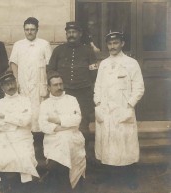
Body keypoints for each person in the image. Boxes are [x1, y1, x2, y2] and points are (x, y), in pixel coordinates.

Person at [94, 31, 145, 189]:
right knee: (107, 144)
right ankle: (108, 176)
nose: (112, 46)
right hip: (106, 110)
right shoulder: (103, 64)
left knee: (126, 145)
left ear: (122, 43)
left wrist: (129, 105)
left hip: (123, 109)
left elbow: (139, 87)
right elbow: (98, 86)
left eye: (115, 43)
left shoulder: (131, 63)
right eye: (110, 44)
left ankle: (130, 179)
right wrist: (98, 104)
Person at [0, 71, 39, 193]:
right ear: (2, 87)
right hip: (3, 136)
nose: (10, 86)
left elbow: (26, 121)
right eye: (7, 84)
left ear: (16, 83)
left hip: (23, 135)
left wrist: (6, 117)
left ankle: (25, 186)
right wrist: (16, 120)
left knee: (23, 156)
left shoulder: (26, 100)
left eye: (12, 82)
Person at [47, 21, 97, 135]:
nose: (71, 35)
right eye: (69, 32)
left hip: (83, 94)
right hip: (64, 93)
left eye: (74, 32)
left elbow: (94, 72)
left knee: (83, 122)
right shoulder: (58, 50)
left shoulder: (88, 51)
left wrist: (86, 84)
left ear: (80, 34)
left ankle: (85, 150)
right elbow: (50, 70)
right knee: (64, 121)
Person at [39, 72, 86, 193]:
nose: (59, 87)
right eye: (55, 85)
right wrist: (64, 125)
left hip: (73, 136)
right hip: (53, 138)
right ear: (49, 87)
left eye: (60, 84)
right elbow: (43, 125)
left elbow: (77, 119)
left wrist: (57, 120)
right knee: (57, 160)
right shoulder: (44, 104)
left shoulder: (72, 100)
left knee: (68, 151)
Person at [10, 17, 52, 132]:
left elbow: (49, 66)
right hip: (23, 83)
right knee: (25, 111)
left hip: (39, 84)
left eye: (32, 29)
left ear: (37, 30)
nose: (29, 32)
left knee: (38, 112)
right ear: (24, 30)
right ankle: (26, 137)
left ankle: (38, 139)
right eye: (27, 29)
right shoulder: (18, 45)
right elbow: (14, 63)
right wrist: (16, 80)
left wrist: (48, 84)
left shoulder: (44, 44)